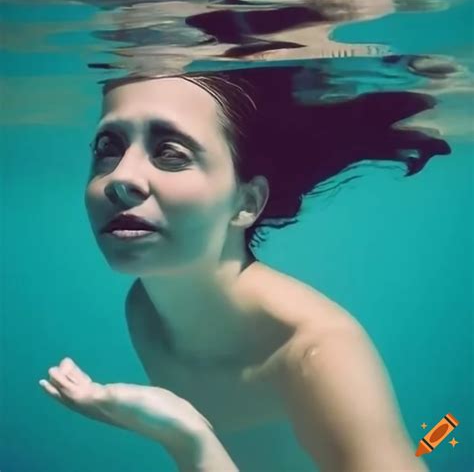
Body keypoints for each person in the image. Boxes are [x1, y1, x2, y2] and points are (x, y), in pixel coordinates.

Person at [39, 66, 449, 471]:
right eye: (107, 148)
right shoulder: (146, 306)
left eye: (170, 153)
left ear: (247, 202)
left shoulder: (317, 354)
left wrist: (190, 442)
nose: (120, 178)